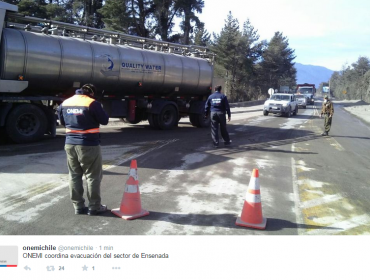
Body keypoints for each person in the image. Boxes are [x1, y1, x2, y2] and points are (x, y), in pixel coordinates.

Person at [58, 84, 109, 215]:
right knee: (92, 176)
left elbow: (62, 122)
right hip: (89, 144)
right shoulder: (92, 103)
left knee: (74, 175)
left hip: (69, 143)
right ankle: (94, 207)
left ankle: (78, 207)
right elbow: (104, 121)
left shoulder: (65, 103)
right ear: (91, 93)